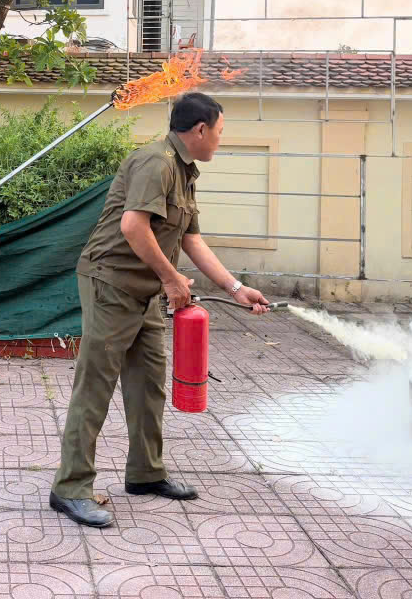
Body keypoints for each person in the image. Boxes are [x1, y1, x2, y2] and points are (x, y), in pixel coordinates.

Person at [49, 92, 271, 528]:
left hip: (145, 291)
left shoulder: (185, 171)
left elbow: (190, 238)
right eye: (220, 132)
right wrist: (172, 279)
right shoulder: (156, 162)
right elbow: (133, 227)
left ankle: (145, 474)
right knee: (95, 387)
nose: (221, 142)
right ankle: (70, 488)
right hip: (110, 283)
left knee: (148, 385)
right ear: (201, 130)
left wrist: (235, 286)